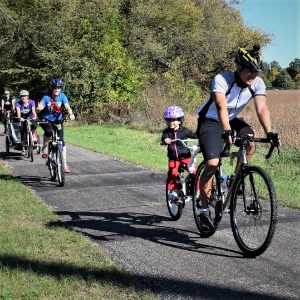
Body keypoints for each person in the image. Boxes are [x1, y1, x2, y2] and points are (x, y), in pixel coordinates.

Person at [196, 44, 280, 234]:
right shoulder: (222, 80)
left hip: (232, 119)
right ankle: (202, 209)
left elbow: (262, 108)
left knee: (250, 142)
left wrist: (270, 132)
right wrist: (226, 130)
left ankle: (236, 179)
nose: (253, 76)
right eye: (249, 71)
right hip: (211, 120)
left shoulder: (257, 84)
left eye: (256, 72)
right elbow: (220, 105)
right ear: (238, 68)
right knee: (212, 163)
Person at [36, 78, 75, 173]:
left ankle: (64, 164)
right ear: (51, 88)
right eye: (55, 88)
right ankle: (45, 149)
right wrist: (38, 109)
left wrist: (71, 114)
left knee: (61, 142)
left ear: (61, 88)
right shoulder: (46, 97)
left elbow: (67, 106)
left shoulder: (62, 96)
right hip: (47, 119)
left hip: (58, 120)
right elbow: (39, 107)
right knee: (48, 132)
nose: (57, 89)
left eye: (59, 88)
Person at [161, 105, 197, 203]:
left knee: (194, 171)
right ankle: (172, 192)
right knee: (172, 173)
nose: (170, 122)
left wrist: (201, 135)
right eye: (168, 120)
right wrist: (166, 140)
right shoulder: (167, 132)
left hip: (185, 157)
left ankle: (197, 190)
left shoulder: (185, 130)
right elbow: (164, 138)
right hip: (173, 158)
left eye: (173, 120)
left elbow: (194, 135)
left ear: (180, 120)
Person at [15, 90, 38, 156]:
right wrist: (20, 118)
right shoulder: (18, 103)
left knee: (34, 125)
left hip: (31, 118)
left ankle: (32, 134)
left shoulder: (32, 102)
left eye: (25, 96)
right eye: (22, 96)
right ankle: (23, 149)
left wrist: (35, 116)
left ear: (27, 96)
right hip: (23, 119)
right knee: (23, 133)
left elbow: (33, 110)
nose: (23, 97)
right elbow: (18, 113)